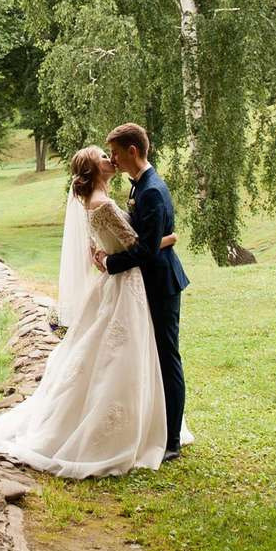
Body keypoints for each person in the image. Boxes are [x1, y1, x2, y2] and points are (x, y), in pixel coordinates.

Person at [0, 145, 191, 477]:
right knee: (122, 358)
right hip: (124, 285)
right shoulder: (102, 203)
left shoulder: (100, 200)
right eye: (103, 157)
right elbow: (137, 245)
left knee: (120, 356)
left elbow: (116, 242)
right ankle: (134, 432)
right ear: (93, 170)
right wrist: (169, 238)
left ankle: (154, 427)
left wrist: (106, 257)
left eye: (111, 154)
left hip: (124, 283)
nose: (110, 159)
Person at [89, 121, 191, 461]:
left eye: (116, 154)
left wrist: (109, 263)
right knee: (152, 357)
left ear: (133, 151)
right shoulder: (138, 186)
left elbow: (146, 250)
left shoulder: (150, 190)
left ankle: (172, 440)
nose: (113, 161)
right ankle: (154, 425)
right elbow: (143, 237)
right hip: (144, 281)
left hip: (162, 283)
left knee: (167, 357)